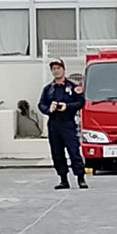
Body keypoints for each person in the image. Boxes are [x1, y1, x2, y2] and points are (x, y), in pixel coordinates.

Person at [38, 59, 88, 190]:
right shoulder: (48, 89)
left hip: (68, 123)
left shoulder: (73, 86)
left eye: (58, 68)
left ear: (64, 70)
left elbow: (81, 102)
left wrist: (67, 106)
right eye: (53, 69)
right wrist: (49, 109)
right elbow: (41, 104)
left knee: (74, 151)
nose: (56, 71)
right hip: (54, 124)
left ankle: (80, 178)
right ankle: (63, 179)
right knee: (57, 153)